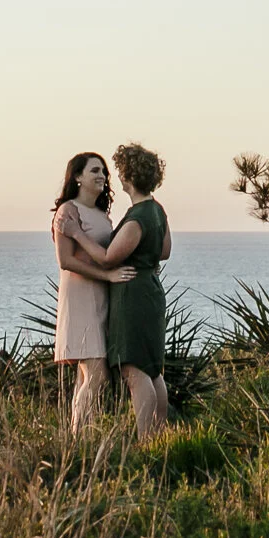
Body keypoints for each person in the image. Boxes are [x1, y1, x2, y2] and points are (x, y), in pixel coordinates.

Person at [62, 140, 170, 436]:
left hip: (132, 295)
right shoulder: (157, 211)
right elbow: (165, 251)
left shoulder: (137, 217)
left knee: (134, 370)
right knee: (152, 369)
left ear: (129, 177)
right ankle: (160, 436)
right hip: (151, 288)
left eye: (120, 171)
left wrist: (77, 234)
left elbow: (109, 258)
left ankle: (147, 438)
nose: (116, 176)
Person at [49, 151, 136, 433]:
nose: (101, 176)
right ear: (77, 177)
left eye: (104, 172)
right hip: (80, 297)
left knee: (86, 377)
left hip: (102, 297)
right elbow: (66, 261)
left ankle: (82, 437)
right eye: (94, 171)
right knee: (97, 375)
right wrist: (107, 276)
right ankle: (77, 437)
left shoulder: (101, 215)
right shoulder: (68, 211)